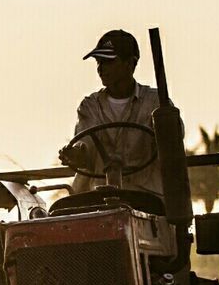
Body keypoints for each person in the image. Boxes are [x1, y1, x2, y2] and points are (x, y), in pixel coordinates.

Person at [58, 29, 164, 196]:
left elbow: (172, 142)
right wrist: (74, 155)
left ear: (130, 64)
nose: (100, 68)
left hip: (146, 199)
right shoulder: (90, 106)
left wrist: (167, 130)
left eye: (108, 62)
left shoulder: (156, 103)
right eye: (99, 62)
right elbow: (85, 151)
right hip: (101, 199)